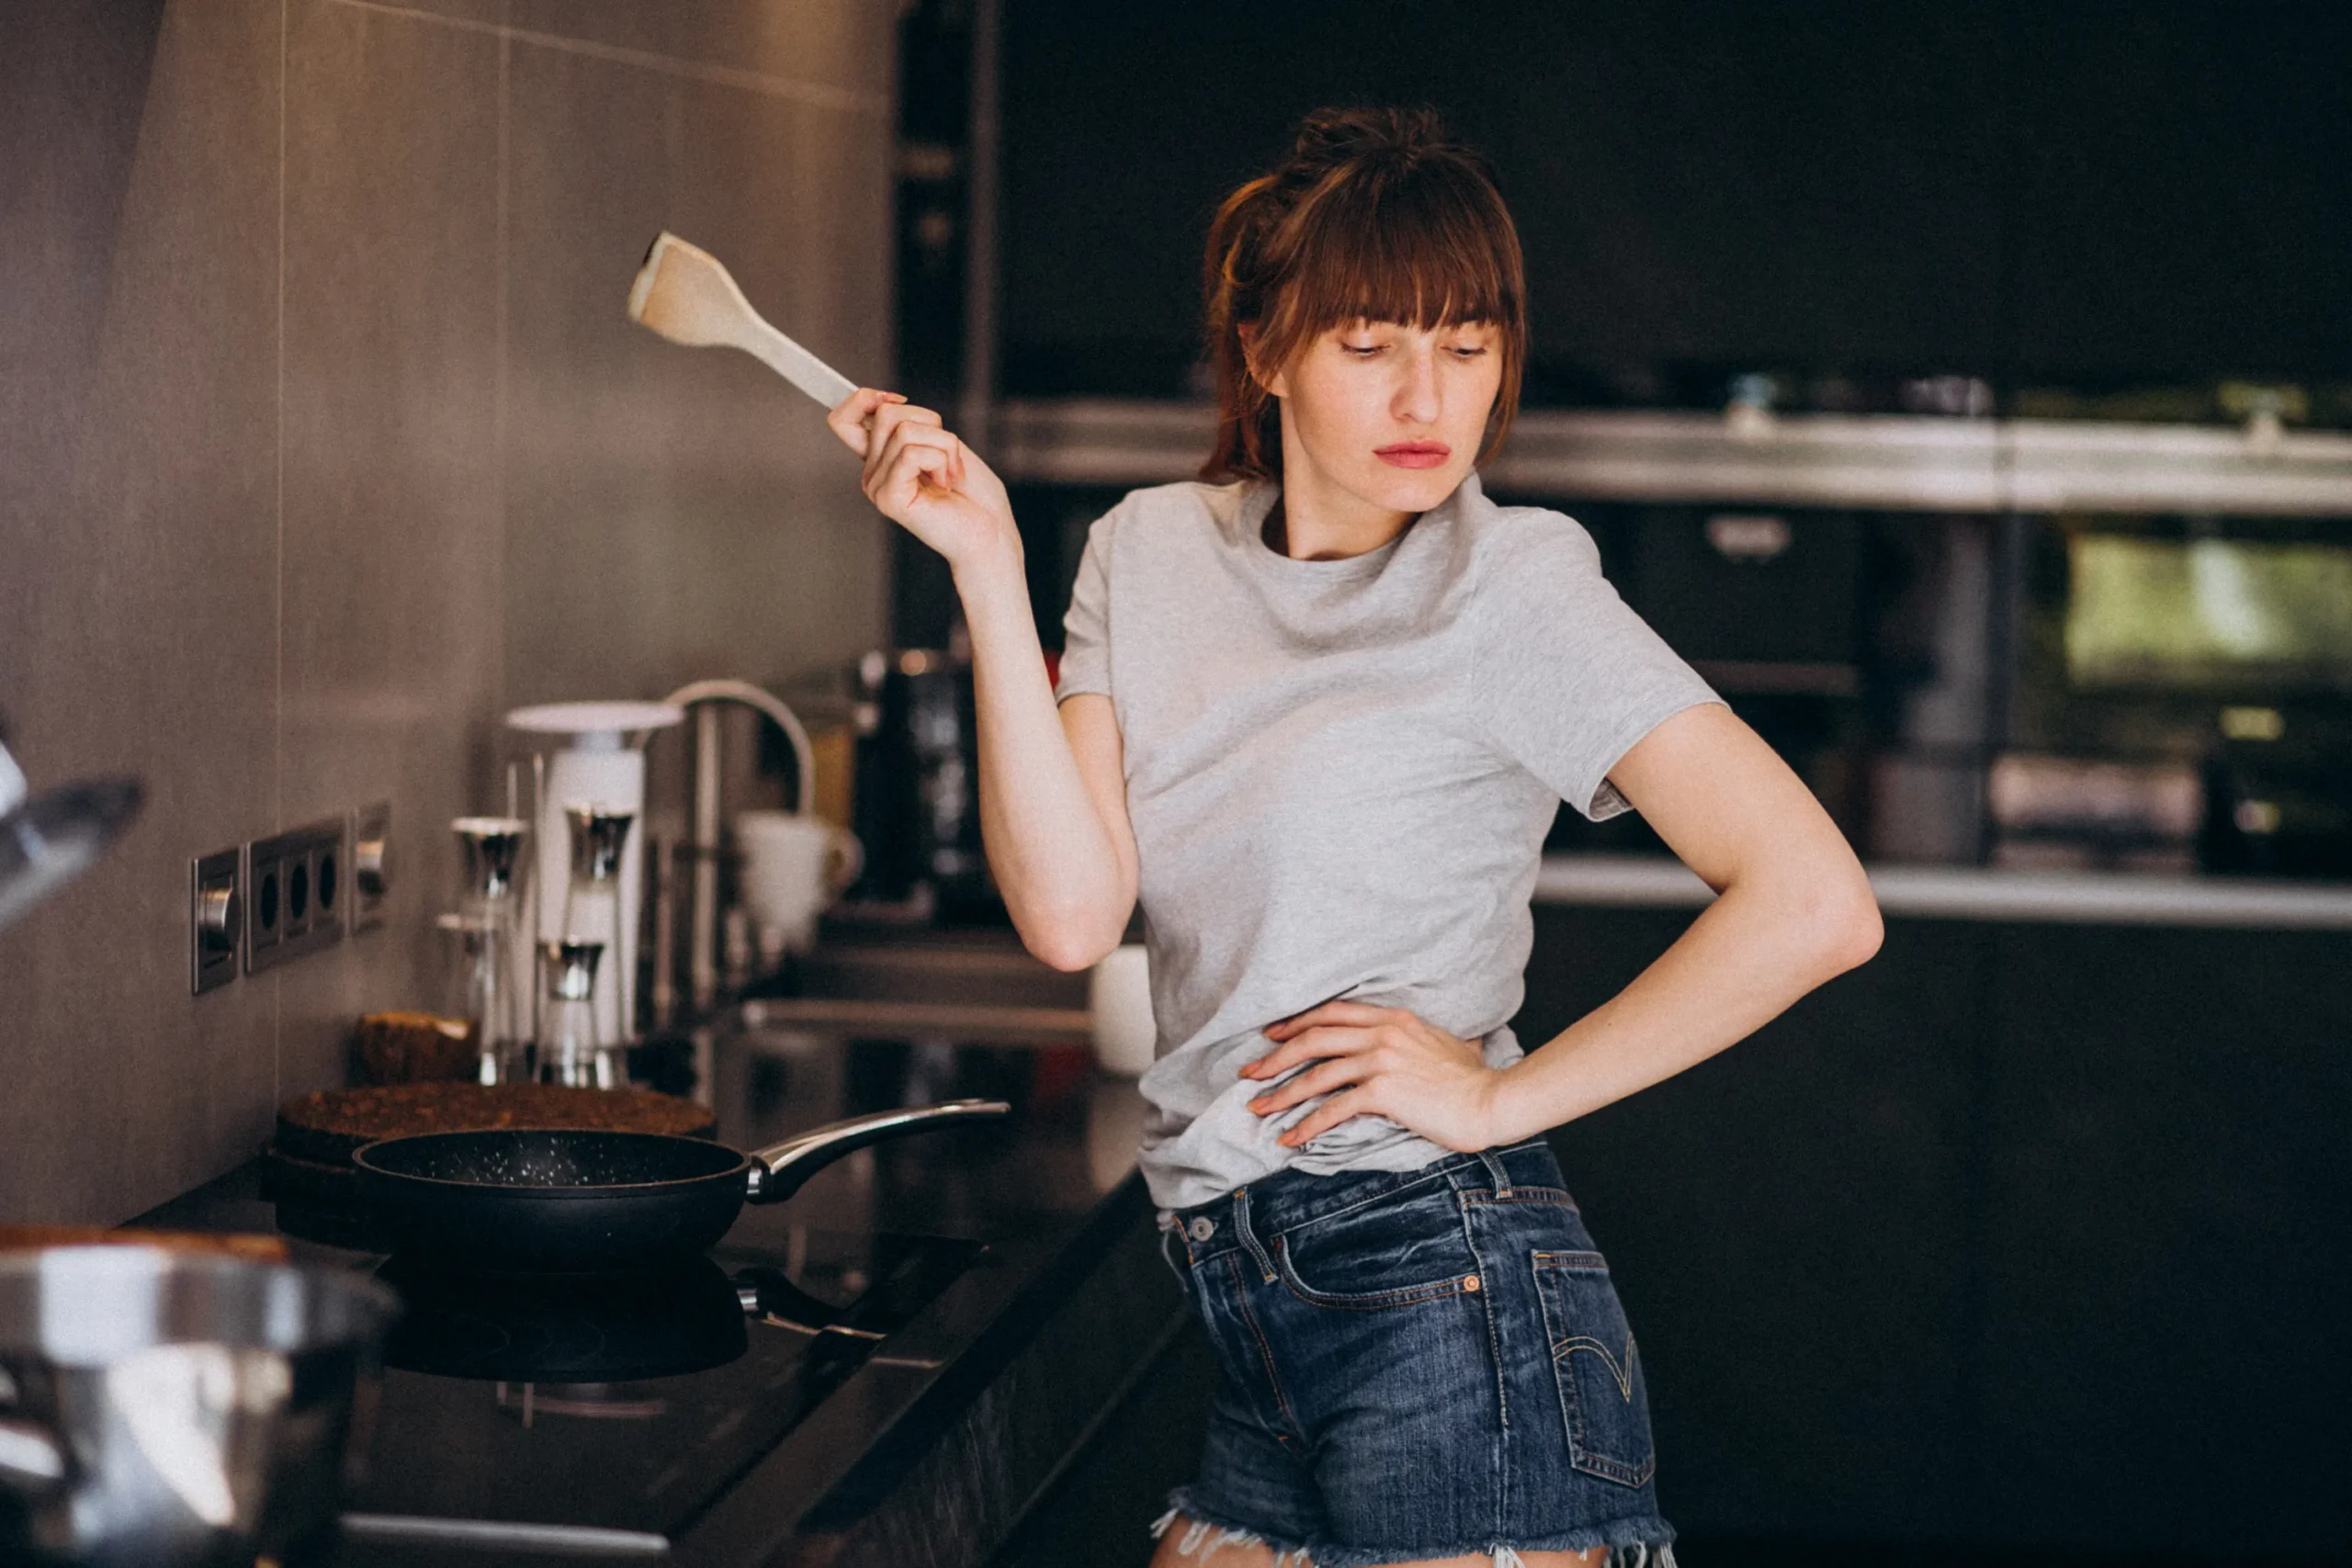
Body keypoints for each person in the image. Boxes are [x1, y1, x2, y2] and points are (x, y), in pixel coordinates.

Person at [827, 107, 1881, 1568]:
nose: (1428, 395)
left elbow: (1817, 900)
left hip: (1450, 1289)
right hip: (1252, 1297)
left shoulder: (1515, 586)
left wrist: (1504, 1102)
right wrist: (988, 571)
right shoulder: (1146, 549)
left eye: (1467, 341)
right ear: (1264, 349)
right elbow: (1071, 915)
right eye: (1370, 340)